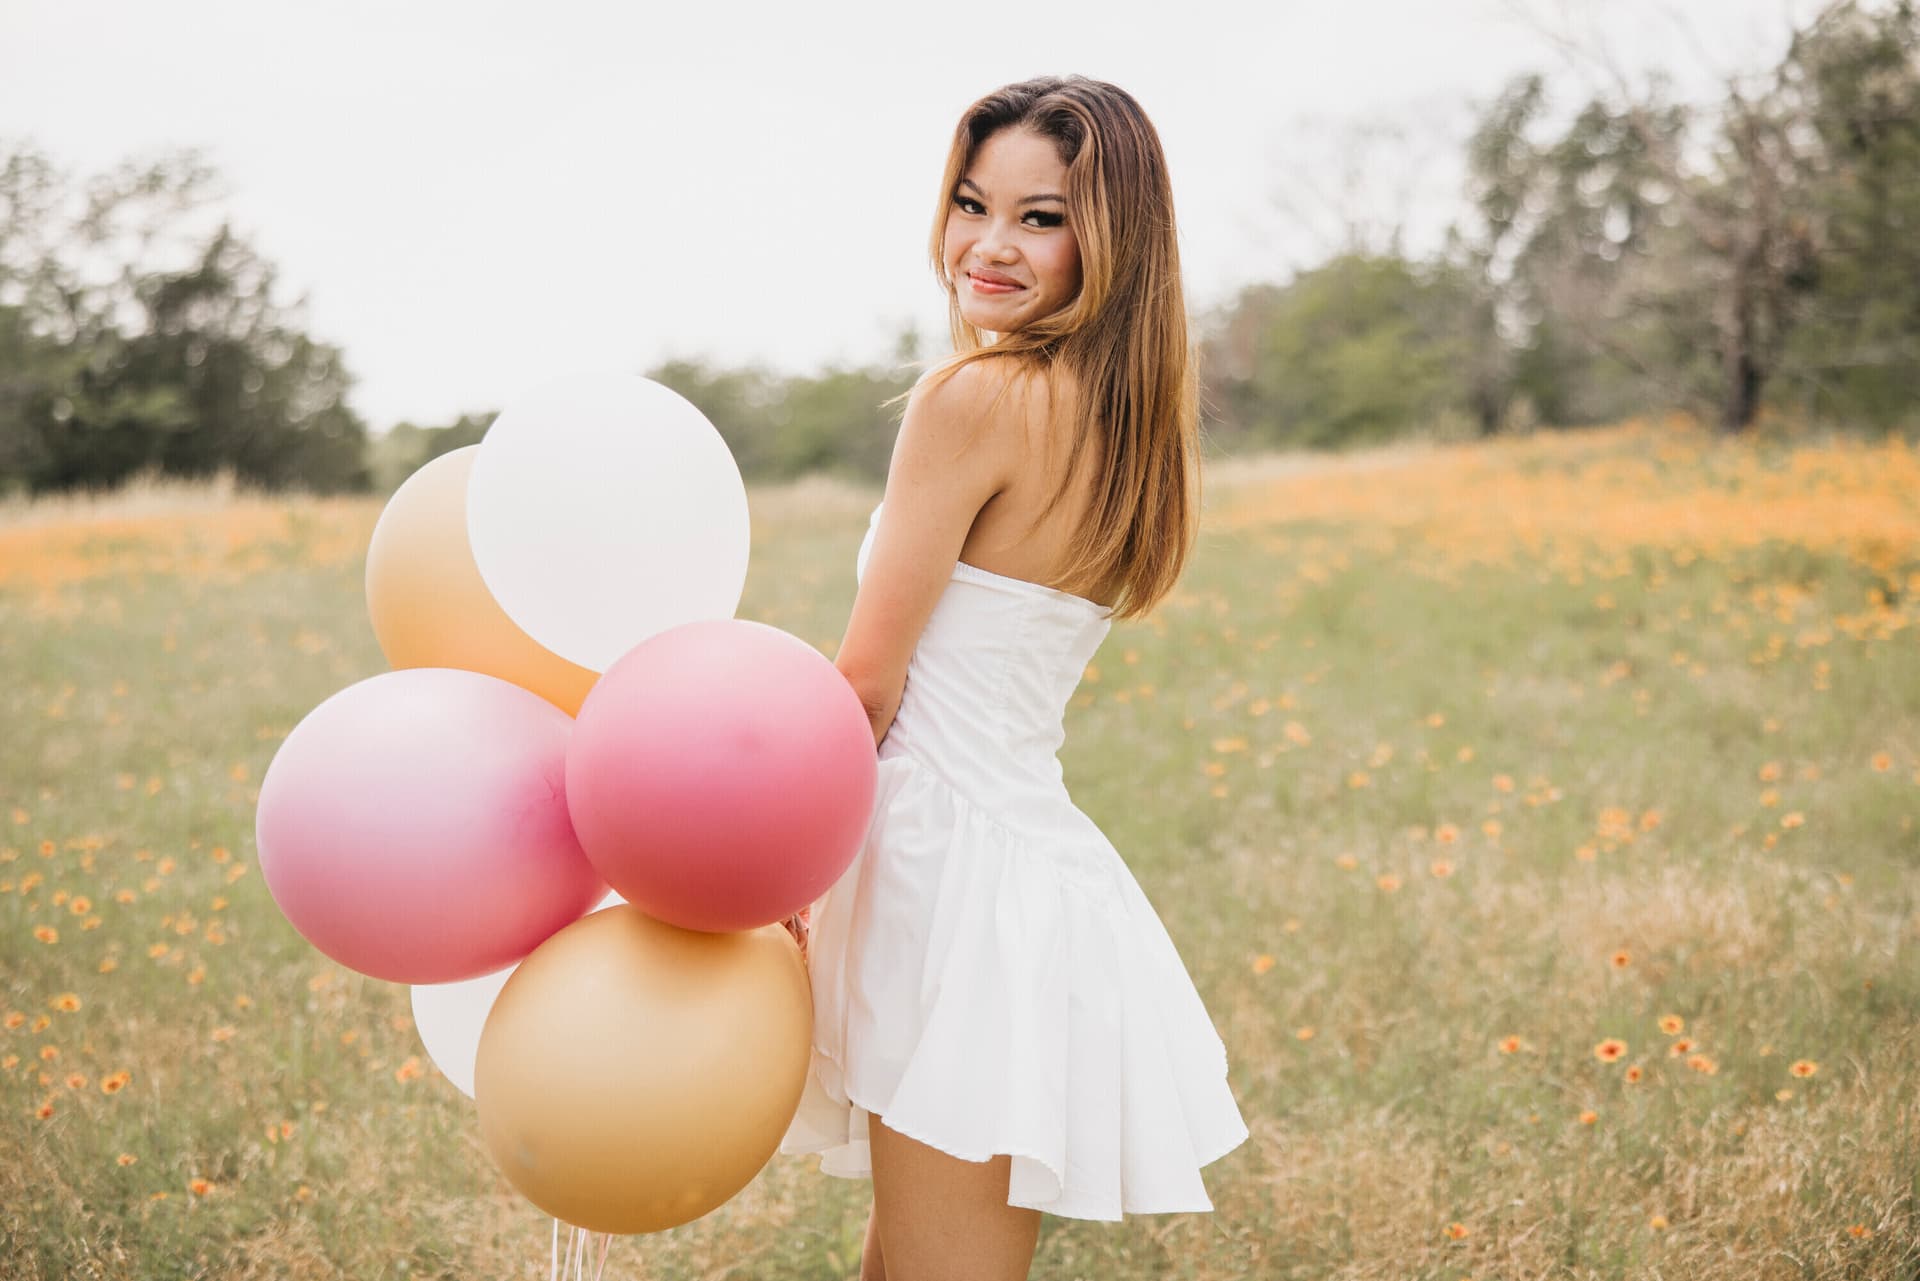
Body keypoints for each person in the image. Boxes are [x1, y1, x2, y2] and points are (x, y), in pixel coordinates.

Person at [777, 75, 1249, 1281]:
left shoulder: (974, 400)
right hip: (998, 871)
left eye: (1043, 218)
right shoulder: (1121, 421)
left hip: (949, 882)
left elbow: (868, 687)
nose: (988, 247)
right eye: (972, 204)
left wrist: (777, 855)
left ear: (1114, 239)